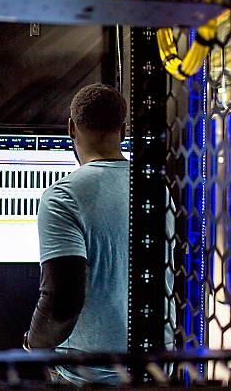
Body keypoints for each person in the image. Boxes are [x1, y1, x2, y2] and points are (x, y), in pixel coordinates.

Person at [23, 83, 175, 386]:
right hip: (156, 367)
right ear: (123, 129)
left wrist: (34, 344)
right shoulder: (156, 189)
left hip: (89, 375)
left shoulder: (62, 197)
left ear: (71, 128)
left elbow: (62, 300)